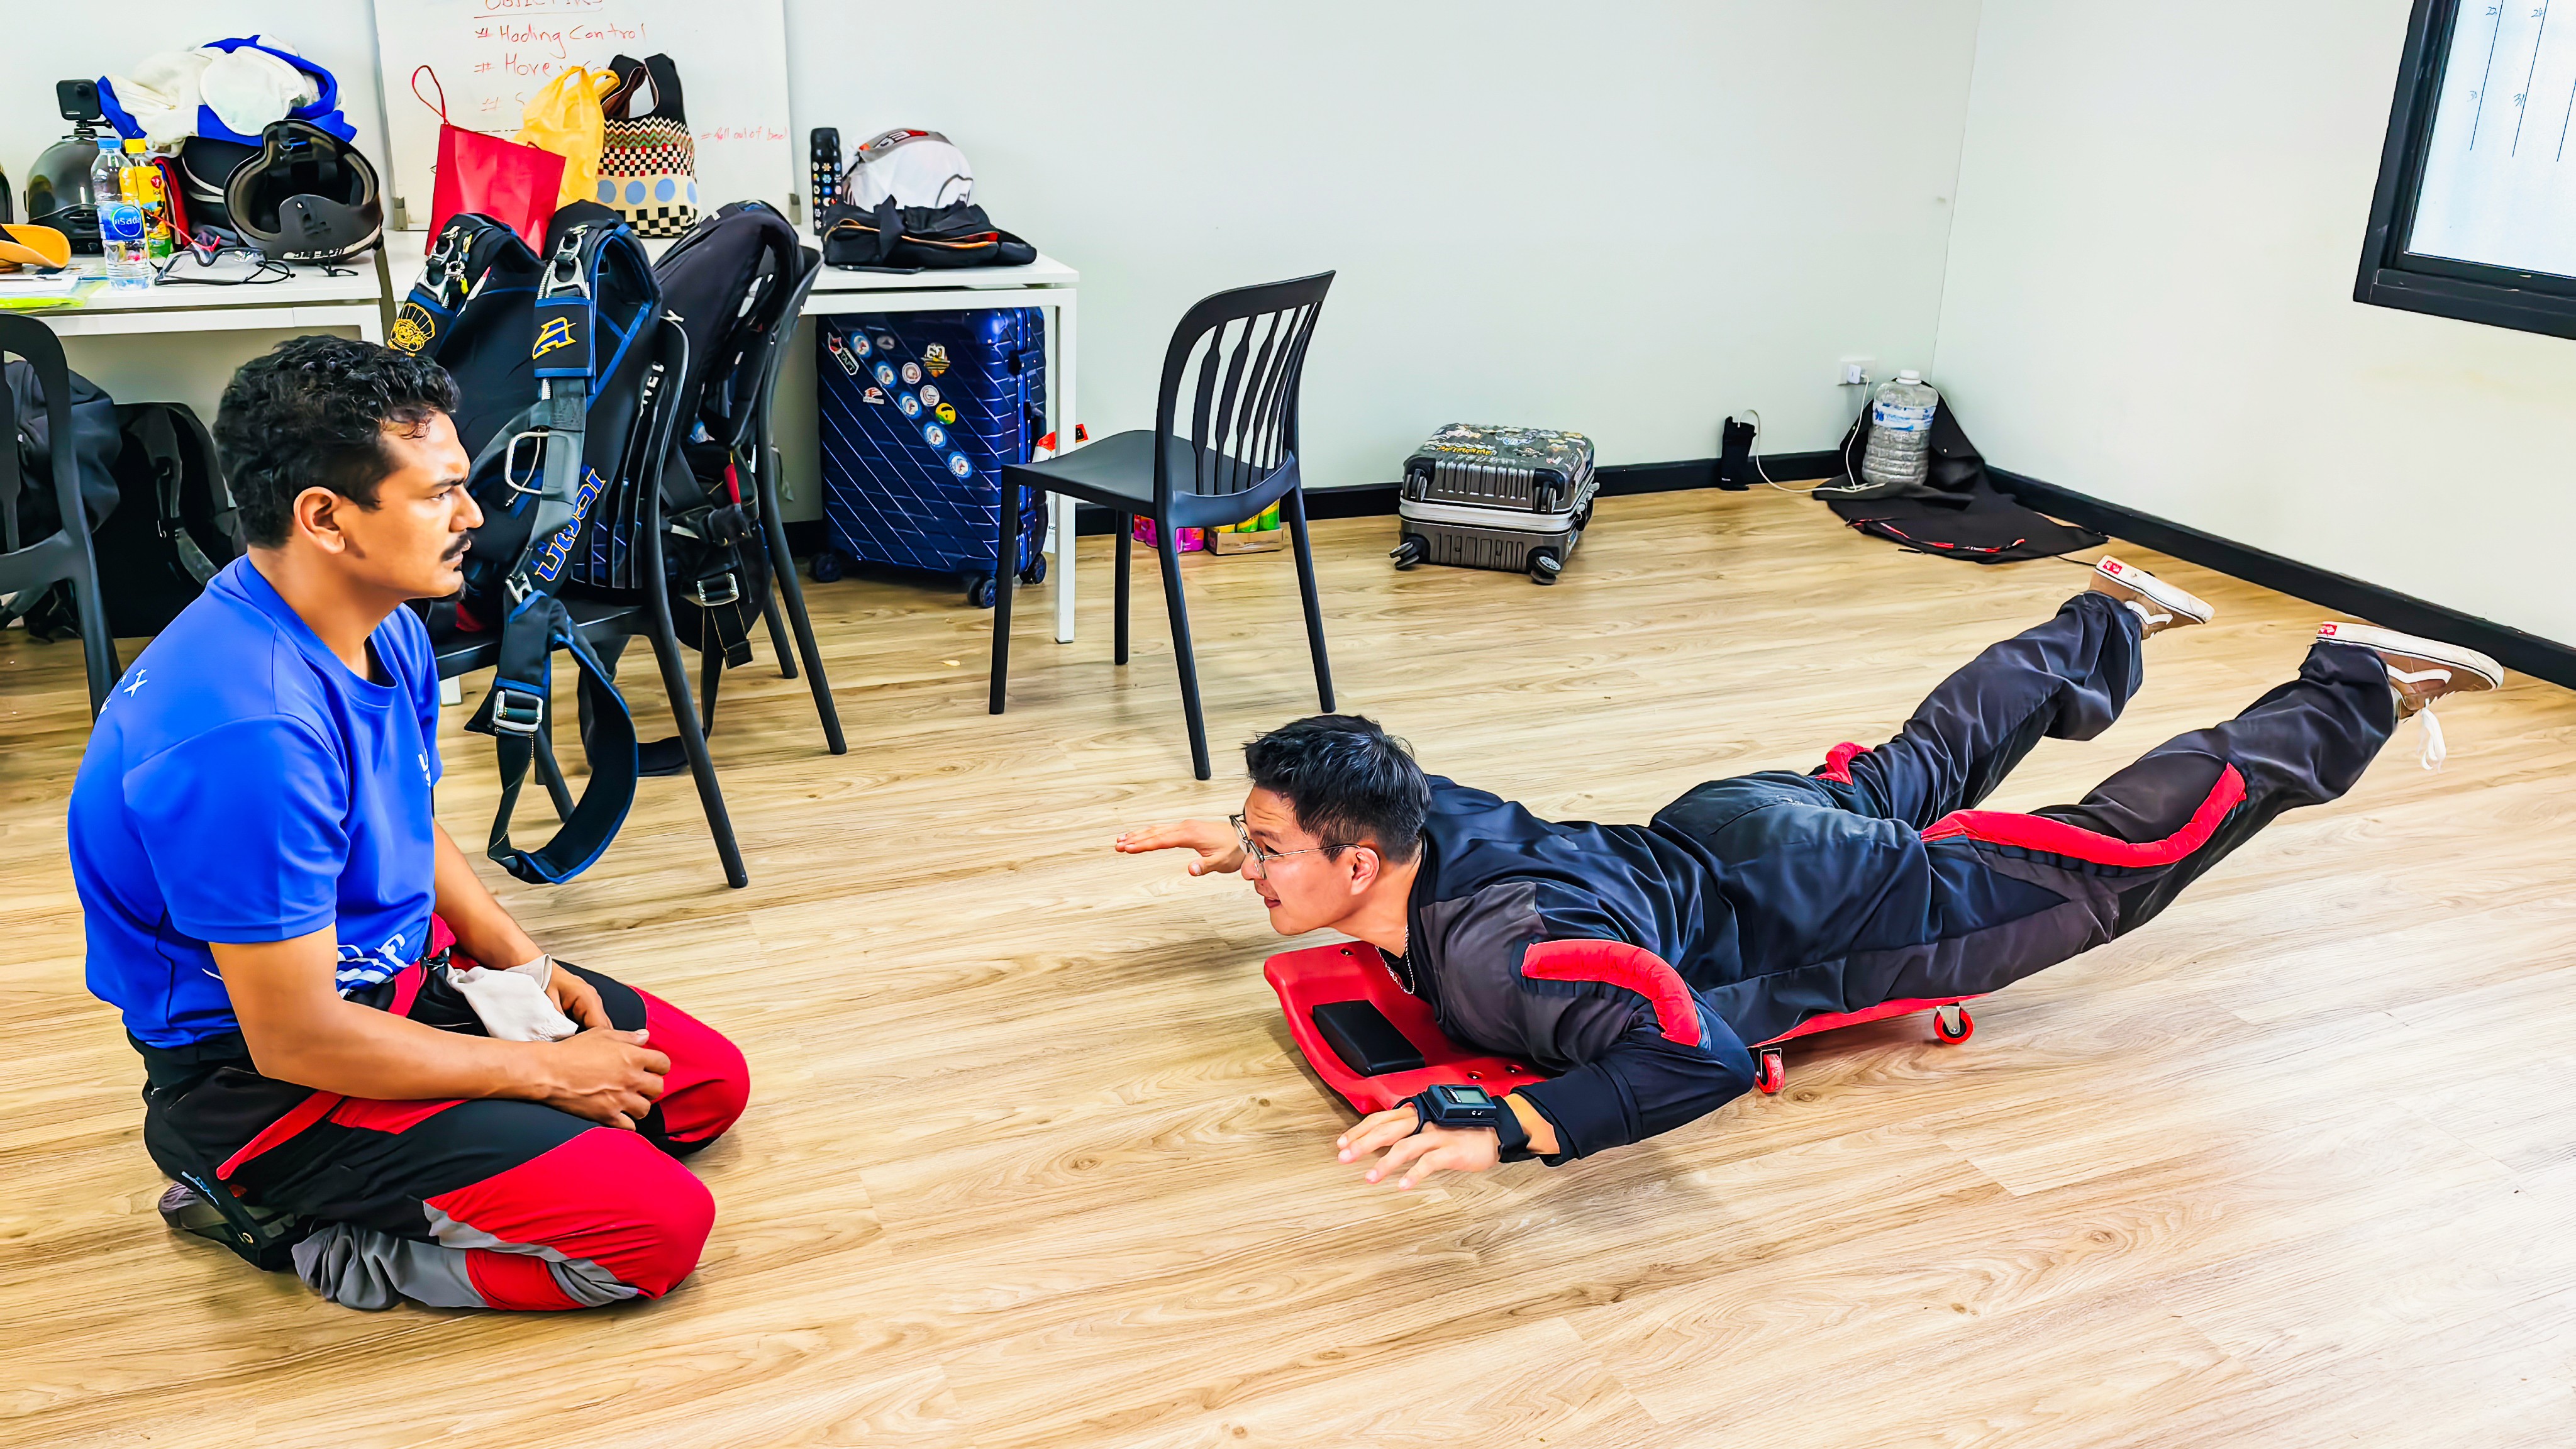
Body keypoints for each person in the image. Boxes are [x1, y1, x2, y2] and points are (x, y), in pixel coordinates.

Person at [1116, 558, 2504, 1189]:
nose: (1251, 866)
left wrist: (1518, 1127)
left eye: (1266, 849)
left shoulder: (1506, 955)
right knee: (1917, 765)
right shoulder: (1428, 816)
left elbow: (1698, 1054)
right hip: (1726, 821)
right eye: (1251, 841)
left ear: (1360, 859)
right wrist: (1228, 827)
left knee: (2104, 861)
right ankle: (2102, 616)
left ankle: (2349, 684)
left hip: (1813, 896)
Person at [66, 336, 748, 1311]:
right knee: (654, 1233)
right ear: (326, 519)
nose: (472, 516)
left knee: (701, 1087)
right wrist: (542, 1077)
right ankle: (298, 1228)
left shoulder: (378, 619)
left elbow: (407, 821)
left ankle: (506, 1141)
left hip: (397, 981)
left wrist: (526, 964)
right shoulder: (243, 734)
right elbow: (296, 1039)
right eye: (438, 495)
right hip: (271, 1084)